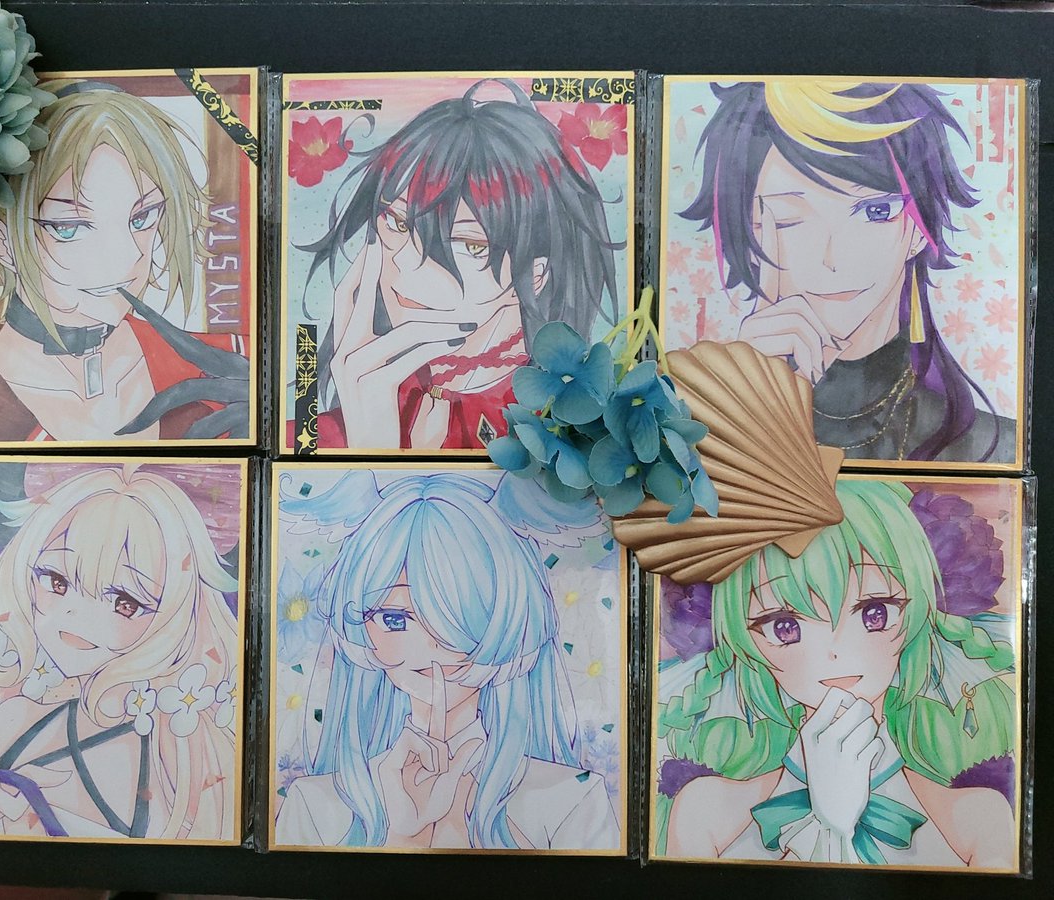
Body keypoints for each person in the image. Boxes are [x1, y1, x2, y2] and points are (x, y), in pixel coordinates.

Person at [659, 480, 1016, 867]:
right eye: (785, 626)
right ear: (749, 644)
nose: (833, 651)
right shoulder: (704, 812)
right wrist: (828, 822)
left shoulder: (980, 820)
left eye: (874, 613)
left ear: (913, 619)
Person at [274, 471, 620, 850]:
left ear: (509, 616)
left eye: (458, 614)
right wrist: (403, 833)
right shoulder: (314, 803)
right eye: (395, 619)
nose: (432, 645)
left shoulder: (572, 800)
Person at [0, 465, 240, 840]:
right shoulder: (13, 718)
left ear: (176, 613)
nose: (76, 618)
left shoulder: (188, 752)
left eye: (125, 602)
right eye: (56, 581)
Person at [682, 81, 1015, 463]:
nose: (833, 257)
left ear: (918, 229)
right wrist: (743, 410)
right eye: (789, 219)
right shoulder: (695, 425)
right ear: (747, 233)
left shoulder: (990, 446)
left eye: (875, 211)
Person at [298, 79, 622, 450]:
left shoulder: (568, 424)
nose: (406, 264)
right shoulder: (314, 411)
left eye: (470, 244)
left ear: (537, 272)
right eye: (398, 223)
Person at [0, 83, 248, 444]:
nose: (128, 256)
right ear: (3, 244)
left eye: (142, 218)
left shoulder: (235, 369)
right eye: (70, 227)